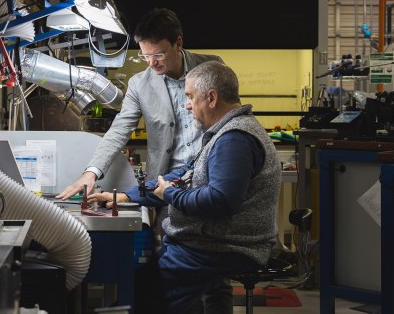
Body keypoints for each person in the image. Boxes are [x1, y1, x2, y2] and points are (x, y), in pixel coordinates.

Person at [56, 7, 230, 312]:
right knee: (173, 275)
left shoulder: (212, 67)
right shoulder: (140, 84)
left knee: (216, 279)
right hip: (168, 190)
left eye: (159, 54)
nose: (153, 63)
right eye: (146, 55)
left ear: (178, 43)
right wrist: (91, 172)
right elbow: (118, 130)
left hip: (210, 183)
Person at [88, 61, 282, 314]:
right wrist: (125, 196)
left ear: (211, 98)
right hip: (207, 244)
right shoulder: (224, 133)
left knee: (136, 298)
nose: (187, 104)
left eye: (190, 97)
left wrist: (169, 193)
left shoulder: (235, 139)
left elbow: (220, 200)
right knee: (146, 288)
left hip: (220, 247)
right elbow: (182, 175)